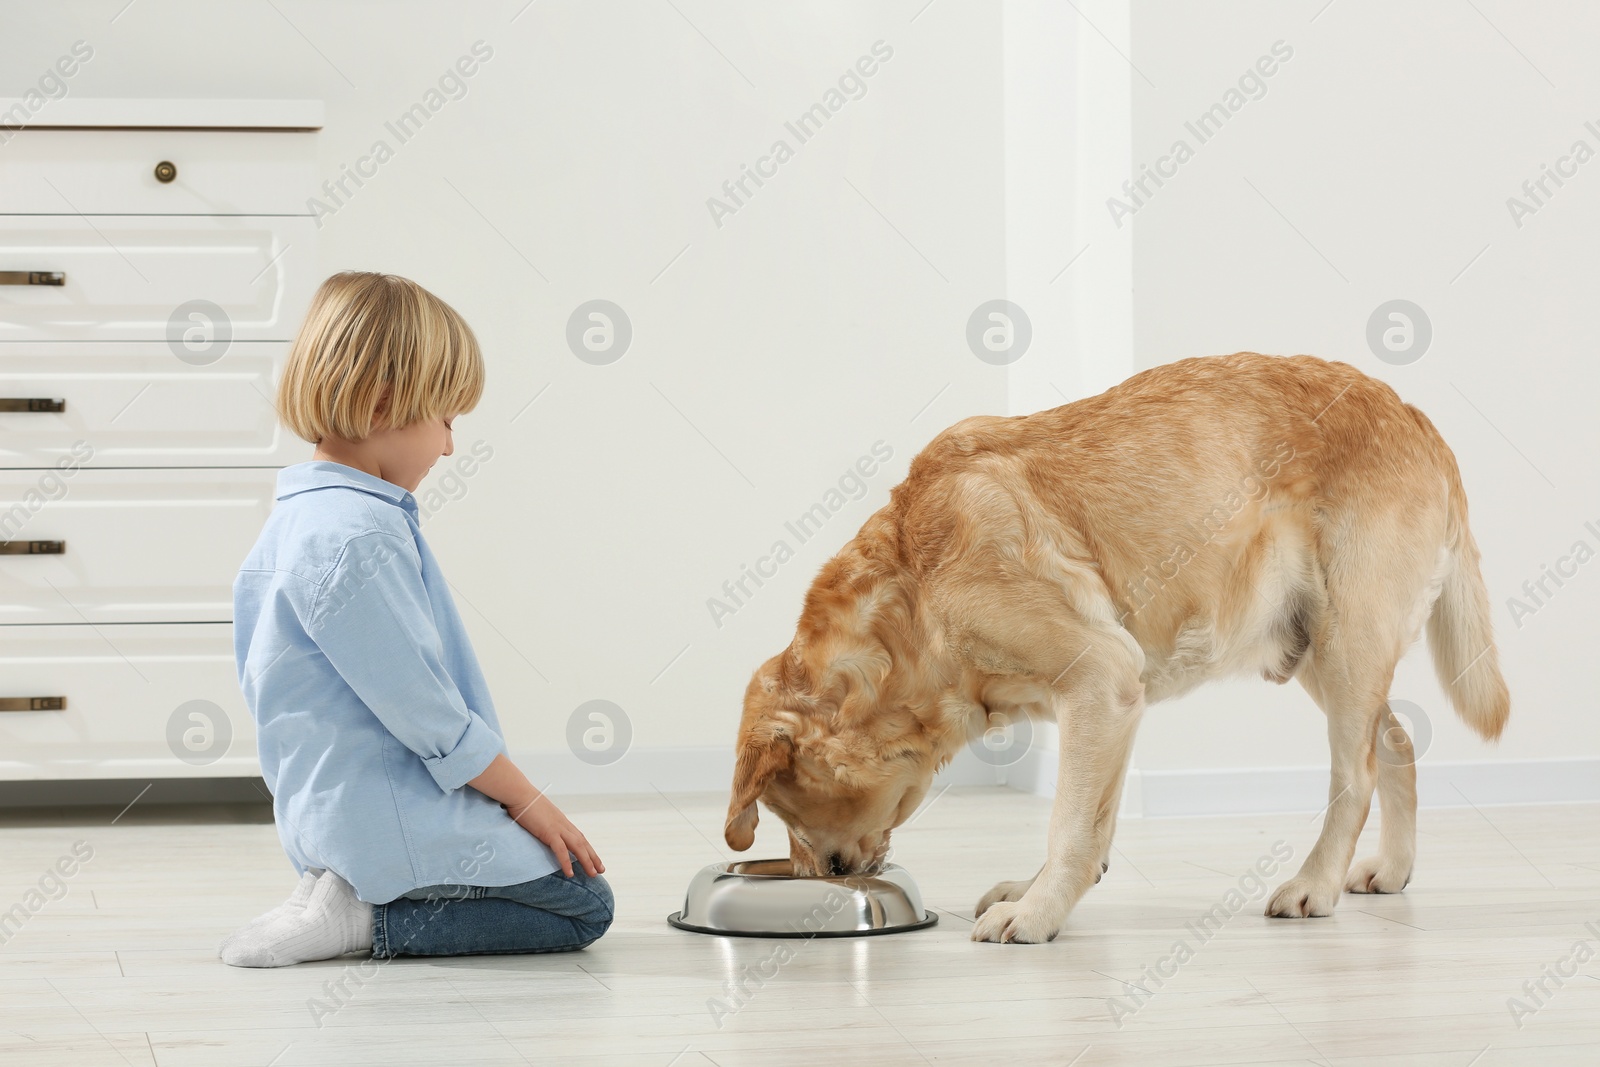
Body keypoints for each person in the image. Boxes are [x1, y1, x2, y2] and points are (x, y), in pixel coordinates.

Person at [220, 271, 611, 967]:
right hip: (387, 819)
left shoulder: (294, 522)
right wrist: (528, 803)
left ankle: (343, 893)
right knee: (584, 903)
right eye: (447, 420)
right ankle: (367, 919)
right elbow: (427, 712)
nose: (451, 446)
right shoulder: (356, 535)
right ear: (382, 402)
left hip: (325, 817)